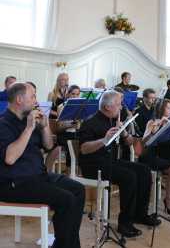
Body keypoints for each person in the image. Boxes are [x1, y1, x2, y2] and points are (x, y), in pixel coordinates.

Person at [0, 82, 85, 248]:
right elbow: (10, 158)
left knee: (78, 190)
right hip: (13, 183)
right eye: (32, 96)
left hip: (38, 176)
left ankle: (66, 245)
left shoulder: (29, 119)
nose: (35, 100)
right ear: (19, 99)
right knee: (66, 199)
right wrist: (29, 128)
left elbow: (47, 146)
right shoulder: (3, 124)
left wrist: (45, 127)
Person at [79, 90, 160, 238]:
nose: (121, 107)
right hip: (93, 165)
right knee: (129, 176)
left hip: (111, 162)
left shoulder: (114, 119)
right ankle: (125, 223)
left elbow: (129, 142)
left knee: (144, 170)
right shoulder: (90, 122)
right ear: (108, 107)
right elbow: (84, 149)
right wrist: (103, 140)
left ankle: (140, 214)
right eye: (118, 104)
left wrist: (123, 132)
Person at [57, 85, 81, 171]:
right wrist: (70, 125)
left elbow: (81, 126)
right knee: (72, 142)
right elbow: (59, 127)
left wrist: (80, 123)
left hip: (77, 133)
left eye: (77, 94)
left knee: (86, 140)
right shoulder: (61, 107)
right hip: (65, 134)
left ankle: (80, 170)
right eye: (73, 94)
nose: (75, 96)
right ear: (68, 94)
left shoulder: (82, 107)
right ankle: (70, 170)